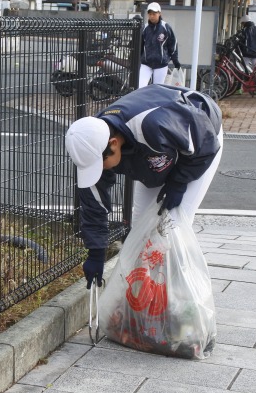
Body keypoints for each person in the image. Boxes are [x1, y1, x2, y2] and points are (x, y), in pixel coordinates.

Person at [65, 83, 223, 289]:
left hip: (200, 141)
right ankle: (141, 300)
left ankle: (178, 298)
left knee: (171, 226)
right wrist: (96, 252)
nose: (99, 170)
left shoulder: (152, 124)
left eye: (100, 164)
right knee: (141, 230)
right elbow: (94, 204)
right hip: (155, 155)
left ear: (113, 143)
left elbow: (205, 141)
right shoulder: (92, 143)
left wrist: (178, 182)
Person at [139, 2, 181, 88]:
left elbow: (172, 44)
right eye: (150, 14)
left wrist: (175, 61)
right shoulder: (145, 28)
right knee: (141, 87)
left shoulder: (166, 27)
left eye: (154, 14)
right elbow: (140, 46)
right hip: (146, 64)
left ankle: (153, 101)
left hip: (161, 65)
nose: (151, 16)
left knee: (157, 89)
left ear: (159, 13)